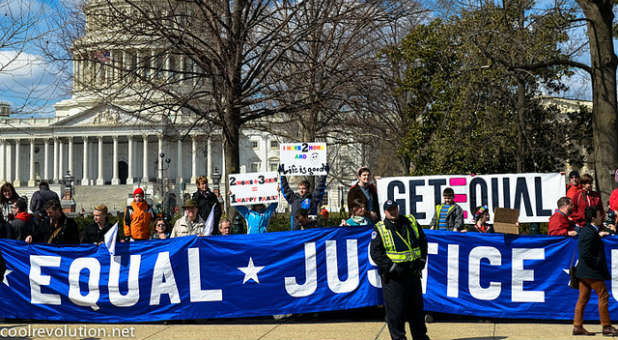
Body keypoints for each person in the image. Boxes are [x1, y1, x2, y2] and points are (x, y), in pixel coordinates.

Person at [370, 200, 429, 340]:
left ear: (398, 208)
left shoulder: (411, 221)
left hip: (413, 274)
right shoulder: (380, 228)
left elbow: (422, 241)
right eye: (389, 210)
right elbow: (376, 253)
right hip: (394, 279)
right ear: (385, 212)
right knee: (396, 314)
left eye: (394, 209)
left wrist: (421, 260)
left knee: (417, 312)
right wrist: (392, 267)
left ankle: (421, 337)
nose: (393, 212)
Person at [572, 206, 618, 336]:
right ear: (593, 218)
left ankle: (577, 326)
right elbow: (585, 253)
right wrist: (597, 264)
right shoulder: (588, 232)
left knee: (583, 298)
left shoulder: (589, 230)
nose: (601, 217)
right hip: (590, 271)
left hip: (584, 271)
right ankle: (606, 326)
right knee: (603, 295)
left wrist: (599, 235)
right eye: (599, 215)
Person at [279, 164, 328, 230]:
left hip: (309, 231)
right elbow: (285, 189)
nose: (301, 190)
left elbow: (320, 188)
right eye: (299, 188)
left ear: (308, 189)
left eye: (303, 188)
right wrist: (282, 175)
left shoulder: (313, 199)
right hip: (296, 232)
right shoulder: (294, 199)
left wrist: (324, 175)